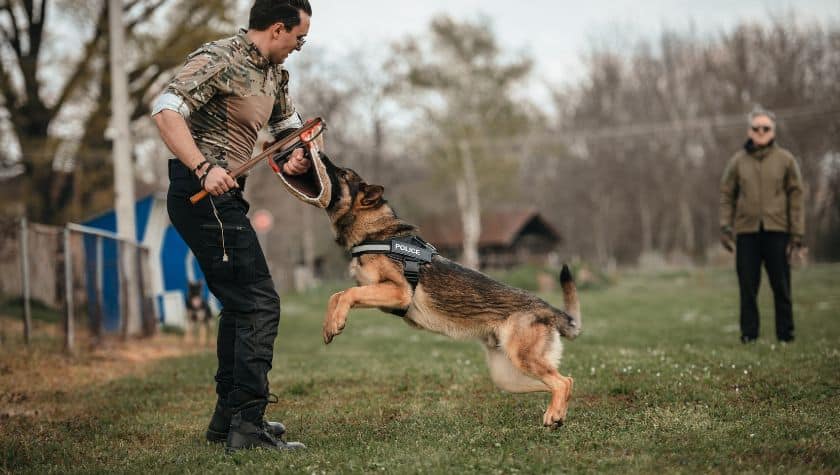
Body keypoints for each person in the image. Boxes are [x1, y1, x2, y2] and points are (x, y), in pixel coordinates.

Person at [151, 0, 313, 452]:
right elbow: (166, 110)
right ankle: (247, 424)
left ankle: (229, 421)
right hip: (201, 193)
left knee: (242, 305)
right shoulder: (218, 58)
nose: (300, 47)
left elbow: (287, 137)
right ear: (277, 29)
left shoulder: (275, 76)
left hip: (228, 195)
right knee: (260, 304)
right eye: (299, 38)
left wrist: (295, 155)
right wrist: (203, 167)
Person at [719, 107, 805, 344]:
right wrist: (725, 226)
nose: (760, 132)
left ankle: (785, 335)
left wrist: (797, 233)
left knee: (781, 285)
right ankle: (749, 335)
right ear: (749, 131)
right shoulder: (737, 161)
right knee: (748, 287)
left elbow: (796, 197)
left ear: (772, 131)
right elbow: (727, 195)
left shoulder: (785, 160)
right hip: (747, 232)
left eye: (765, 128)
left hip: (777, 231)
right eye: (756, 128)